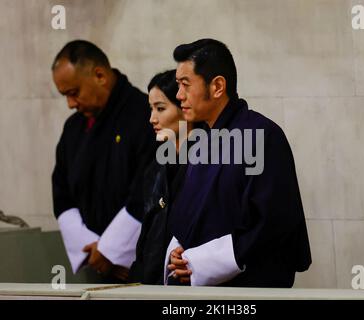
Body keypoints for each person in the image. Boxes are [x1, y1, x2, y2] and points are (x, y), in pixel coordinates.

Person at [165, 39, 312, 287]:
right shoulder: (199, 142)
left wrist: (200, 263)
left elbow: (272, 223)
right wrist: (178, 251)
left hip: (250, 288)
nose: (179, 95)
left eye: (185, 85)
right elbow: (186, 212)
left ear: (218, 86)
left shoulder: (263, 135)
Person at [51, 40, 155, 282]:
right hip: (94, 263)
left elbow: (149, 190)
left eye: (74, 93)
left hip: (137, 265)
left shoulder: (145, 116)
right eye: (65, 96)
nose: (70, 104)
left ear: (100, 75)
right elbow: (61, 192)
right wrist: (90, 248)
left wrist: (111, 250)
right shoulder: (73, 128)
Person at [128, 70, 193, 285]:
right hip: (152, 279)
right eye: (151, 109)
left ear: (184, 108)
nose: (152, 119)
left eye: (160, 109)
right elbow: (148, 231)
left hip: (186, 280)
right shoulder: (157, 165)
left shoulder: (207, 163)